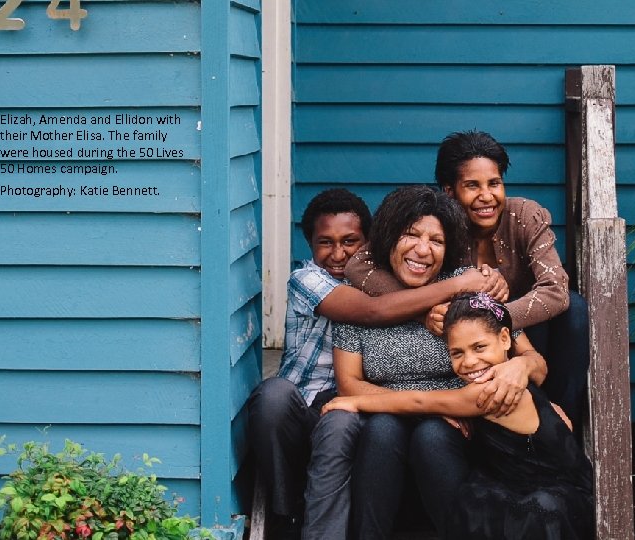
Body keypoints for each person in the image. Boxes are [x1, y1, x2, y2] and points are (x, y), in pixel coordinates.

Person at [247, 188, 506, 539]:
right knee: (275, 396)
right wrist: (460, 284)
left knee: (364, 426)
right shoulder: (315, 282)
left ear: (368, 242)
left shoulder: (387, 284)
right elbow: (373, 311)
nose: (339, 254)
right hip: (309, 401)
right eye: (325, 242)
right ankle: (284, 512)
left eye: (350, 241)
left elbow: (514, 342)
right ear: (309, 243)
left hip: (352, 408)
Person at [328, 185, 549, 538]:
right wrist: (427, 408)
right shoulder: (362, 297)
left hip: (466, 425)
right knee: (384, 430)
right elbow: (349, 384)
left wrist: (520, 367)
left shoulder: (469, 291)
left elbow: (534, 360)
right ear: (388, 238)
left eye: (436, 240)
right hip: (389, 421)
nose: (422, 250)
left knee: (431, 436)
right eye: (411, 235)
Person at [346, 130, 591, 425]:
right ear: (449, 191)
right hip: (467, 346)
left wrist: (492, 315)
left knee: (575, 309)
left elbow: (555, 291)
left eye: (494, 184)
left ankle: (562, 423)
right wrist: (423, 308)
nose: (486, 196)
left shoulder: (525, 215)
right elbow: (359, 265)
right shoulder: (439, 226)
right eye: (472, 185)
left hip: (521, 329)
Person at [323, 292, 595, 540]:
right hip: (519, 480)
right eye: (457, 353)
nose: (469, 362)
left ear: (504, 339)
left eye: (479, 347)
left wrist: (355, 401)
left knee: (483, 512)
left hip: (558, 492)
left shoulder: (491, 390)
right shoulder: (507, 379)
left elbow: (419, 401)